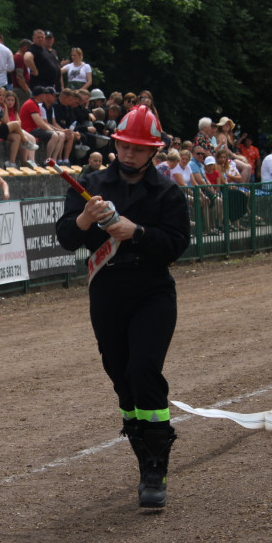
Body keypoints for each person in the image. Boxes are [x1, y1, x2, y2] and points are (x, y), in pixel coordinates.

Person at [55, 105, 189, 509]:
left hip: (152, 291)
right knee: (121, 379)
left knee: (144, 369)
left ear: (153, 151)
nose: (129, 154)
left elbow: (177, 244)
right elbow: (65, 236)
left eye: (138, 148)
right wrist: (83, 222)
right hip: (108, 292)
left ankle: (155, 468)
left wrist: (138, 232)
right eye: (125, 145)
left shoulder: (167, 191)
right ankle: (142, 449)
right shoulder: (92, 184)